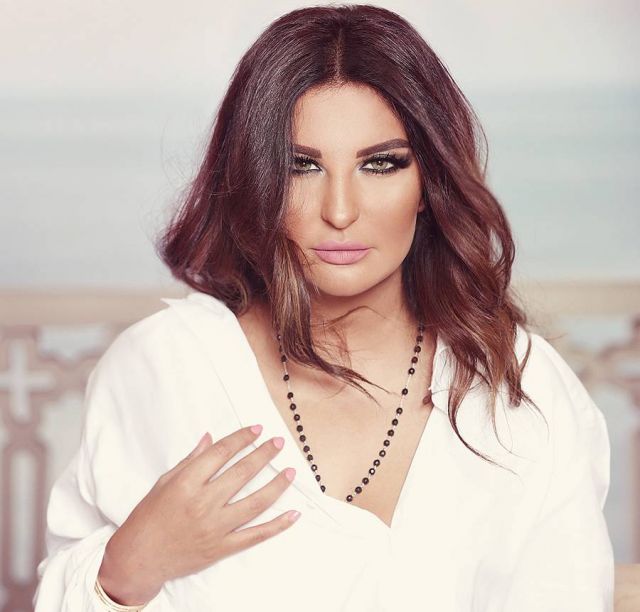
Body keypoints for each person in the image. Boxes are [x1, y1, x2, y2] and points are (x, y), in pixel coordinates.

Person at [33, 4, 614, 611]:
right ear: (256, 180)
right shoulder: (162, 372)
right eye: (302, 166)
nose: (340, 211)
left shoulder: (520, 388)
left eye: (380, 164)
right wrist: (126, 568)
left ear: (429, 184)